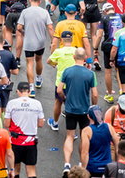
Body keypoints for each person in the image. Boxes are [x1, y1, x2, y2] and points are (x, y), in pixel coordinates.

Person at [59, 48, 98, 176]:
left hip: (70, 109)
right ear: (85, 57)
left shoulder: (67, 71)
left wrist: (65, 99)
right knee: (84, 137)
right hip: (84, 110)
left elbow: (59, 90)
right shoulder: (90, 74)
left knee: (70, 136)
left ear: (74, 57)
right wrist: (93, 106)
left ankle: (66, 164)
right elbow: (95, 94)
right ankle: (82, 165)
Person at [16, 0, 54, 96]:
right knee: (39, 59)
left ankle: (31, 87)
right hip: (40, 41)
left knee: (29, 63)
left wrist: (24, 32)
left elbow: (19, 27)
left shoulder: (25, 12)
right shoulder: (44, 12)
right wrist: (53, 40)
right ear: (40, 1)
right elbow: (50, 27)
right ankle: (38, 78)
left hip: (29, 41)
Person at [4, 81, 44, 178]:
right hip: (30, 142)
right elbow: (41, 124)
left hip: (15, 141)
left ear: (18, 91)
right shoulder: (37, 103)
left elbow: (6, 124)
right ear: (29, 92)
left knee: (15, 169)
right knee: (31, 170)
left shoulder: (11, 103)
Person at [46, 30, 76, 131]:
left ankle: (55, 123)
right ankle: (72, 129)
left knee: (58, 102)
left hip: (60, 83)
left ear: (62, 40)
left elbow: (49, 61)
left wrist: (55, 65)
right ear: (72, 39)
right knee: (71, 105)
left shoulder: (58, 51)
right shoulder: (76, 51)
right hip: (73, 83)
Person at [94, 4, 123, 102]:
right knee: (119, 70)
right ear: (113, 9)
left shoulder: (104, 18)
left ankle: (110, 95)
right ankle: (121, 92)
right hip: (120, 45)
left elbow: (99, 35)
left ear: (105, 11)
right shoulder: (121, 16)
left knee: (108, 71)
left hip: (108, 46)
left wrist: (95, 48)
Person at [80, 105, 113, 178]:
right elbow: (117, 146)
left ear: (88, 116)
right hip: (107, 166)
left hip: (92, 167)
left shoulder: (86, 131)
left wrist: (83, 169)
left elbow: (84, 153)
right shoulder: (109, 127)